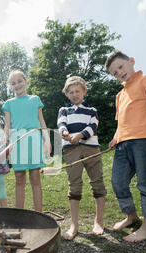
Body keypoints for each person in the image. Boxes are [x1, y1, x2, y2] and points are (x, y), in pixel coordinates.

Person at [105, 51, 146, 242]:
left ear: (131, 61)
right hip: (122, 145)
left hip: (142, 141)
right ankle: (131, 216)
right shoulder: (120, 95)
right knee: (118, 181)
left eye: (121, 67)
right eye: (115, 73)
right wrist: (115, 137)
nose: (119, 73)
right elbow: (121, 122)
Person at [57, 76, 107, 240]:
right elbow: (61, 124)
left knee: (97, 181)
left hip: (91, 148)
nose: (74, 94)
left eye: (77, 91)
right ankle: (74, 225)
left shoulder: (92, 110)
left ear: (84, 91)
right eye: (71, 92)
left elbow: (93, 126)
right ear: (66, 94)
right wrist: (64, 133)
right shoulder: (63, 110)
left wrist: (81, 135)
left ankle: (98, 221)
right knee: (74, 185)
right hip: (71, 150)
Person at [2, 70, 51, 212]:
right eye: (13, 83)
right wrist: (5, 138)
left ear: (26, 81)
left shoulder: (35, 99)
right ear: (10, 86)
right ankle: (19, 215)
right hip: (17, 141)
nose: (17, 85)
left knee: (35, 177)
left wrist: (46, 140)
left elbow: (42, 122)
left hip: (34, 139)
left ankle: (39, 214)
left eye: (19, 81)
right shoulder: (8, 103)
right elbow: (7, 125)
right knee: (19, 178)